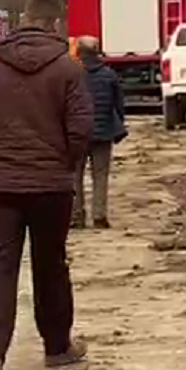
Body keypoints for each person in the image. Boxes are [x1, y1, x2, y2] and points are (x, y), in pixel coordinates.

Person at [0, 0, 94, 370]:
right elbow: (82, 126)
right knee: (51, 264)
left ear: (22, 19)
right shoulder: (67, 68)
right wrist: (65, 163)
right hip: (51, 185)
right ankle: (57, 347)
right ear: (55, 23)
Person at [72, 36, 127, 230]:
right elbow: (119, 105)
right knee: (101, 175)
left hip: (78, 133)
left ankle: (77, 216)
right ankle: (99, 216)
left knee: (75, 176)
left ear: (79, 52)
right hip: (103, 133)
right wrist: (116, 125)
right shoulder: (109, 75)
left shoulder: (73, 75)